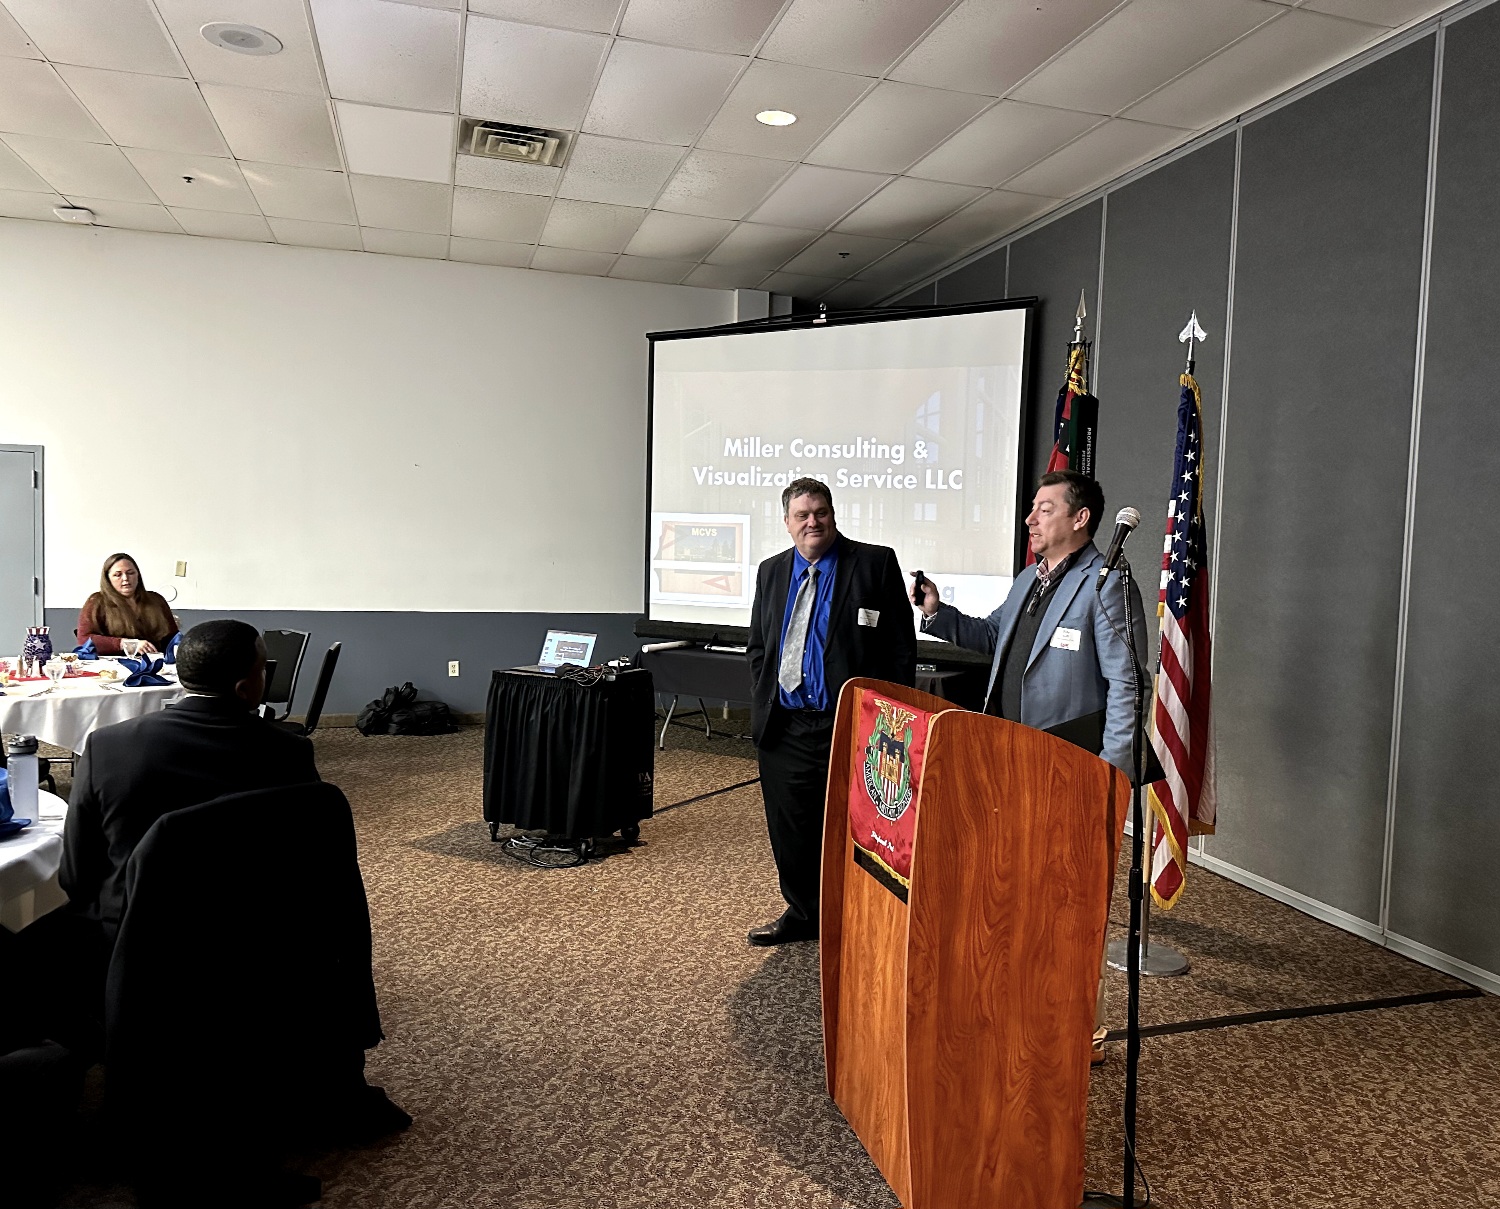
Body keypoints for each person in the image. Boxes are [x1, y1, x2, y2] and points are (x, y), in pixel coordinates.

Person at [61, 619, 317, 937]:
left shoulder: (106, 747)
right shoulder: (290, 753)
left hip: (134, 934)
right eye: (263, 669)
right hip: (254, 930)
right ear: (244, 688)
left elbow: (75, 876)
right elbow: (308, 860)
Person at [746, 478, 916, 946]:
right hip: (786, 725)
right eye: (802, 515)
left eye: (820, 512)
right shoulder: (771, 571)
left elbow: (900, 647)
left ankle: (858, 917)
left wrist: (889, 721)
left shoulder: (874, 564)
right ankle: (804, 914)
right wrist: (765, 693)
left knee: (858, 826)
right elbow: (760, 645)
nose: (812, 522)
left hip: (854, 727)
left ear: (833, 515)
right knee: (791, 828)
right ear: (787, 522)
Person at [911, 470, 1147, 776]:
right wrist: (935, 610)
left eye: (1044, 510)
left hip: (1068, 764)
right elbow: (992, 635)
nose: (1030, 519)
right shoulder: (1027, 579)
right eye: (1033, 508)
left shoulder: (1106, 585)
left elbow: (1128, 684)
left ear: (1080, 518)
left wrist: (1111, 770)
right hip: (1006, 750)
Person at [76, 552, 178, 655]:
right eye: (117, 575)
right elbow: (84, 639)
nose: (125, 578)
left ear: (138, 575)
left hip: (155, 661)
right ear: (108, 579)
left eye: (130, 573)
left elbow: (173, 637)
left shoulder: (156, 600)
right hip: (112, 663)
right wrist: (125, 644)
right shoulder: (96, 602)